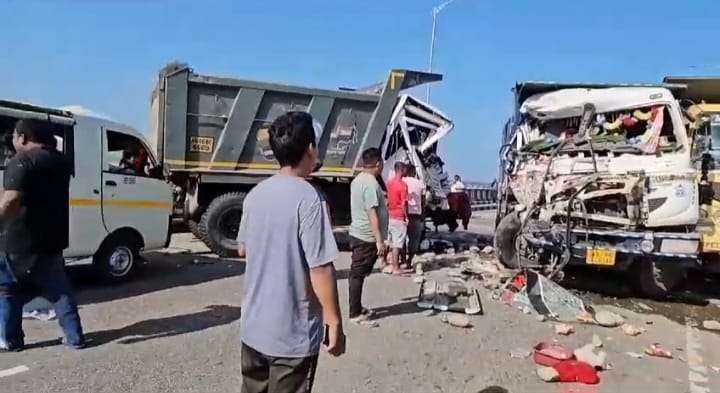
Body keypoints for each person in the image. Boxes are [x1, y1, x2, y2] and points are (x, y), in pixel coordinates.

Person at [236, 111, 345, 393]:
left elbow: (244, 250)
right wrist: (333, 320)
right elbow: (320, 267)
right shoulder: (310, 199)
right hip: (291, 338)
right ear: (311, 149)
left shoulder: (255, 195)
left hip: (253, 329)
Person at [0, 119, 85, 352]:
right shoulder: (61, 162)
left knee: (7, 291)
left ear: (23, 138)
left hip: (19, 241)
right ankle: (75, 337)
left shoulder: (22, 161)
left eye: (16, 137)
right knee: (60, 291)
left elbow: (11, 199)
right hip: (52, 240)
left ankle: (11, 341)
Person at [348, 147, 387, 325]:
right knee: (357, 275)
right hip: (366, 236)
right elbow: (372, 213)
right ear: (378, 163)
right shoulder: (371, 183)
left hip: (359, 233)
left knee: (359, 274)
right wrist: (379, 241)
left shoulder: (358, 180)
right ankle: (354, 313)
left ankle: (357, 307)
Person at [386, 162, 412, 275]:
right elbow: (403, 204)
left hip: (390, 215)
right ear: (401, 170)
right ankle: (396, 268)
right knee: (397, 244)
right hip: (399, 216)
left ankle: (388, 264)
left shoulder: (389, 183)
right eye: (405, 170)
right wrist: (406, 217)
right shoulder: (403, 185)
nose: (406, 172)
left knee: (390, 242)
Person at [403, 165, 426, 269]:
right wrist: (423, 215)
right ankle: (409, 260)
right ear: (414, 172)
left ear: (406, 171)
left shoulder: (402, 181)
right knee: (414, 240)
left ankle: (402, 258)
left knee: (401, 239)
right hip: (416, 215)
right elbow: (423, 201)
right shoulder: (420, 184)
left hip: (403, 214)